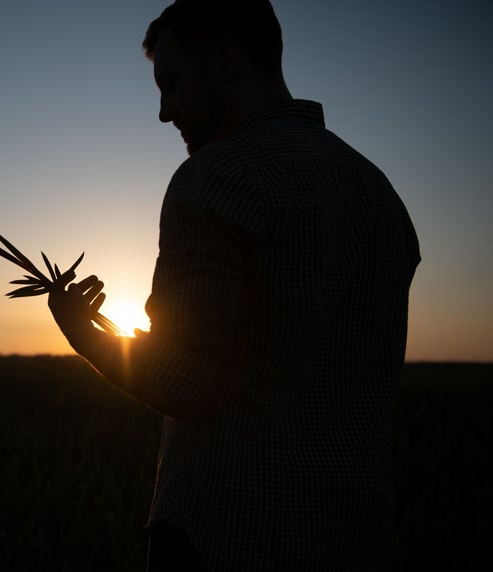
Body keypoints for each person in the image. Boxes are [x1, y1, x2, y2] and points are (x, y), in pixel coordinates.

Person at [47, 0, 421, 570]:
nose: (164, 112)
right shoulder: (379, 193)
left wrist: (84, 334)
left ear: (226, 60)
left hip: (227, 542)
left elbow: (186, 382)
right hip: (357, 539)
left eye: (171, 84)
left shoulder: (215, 178)